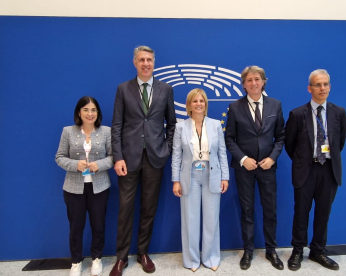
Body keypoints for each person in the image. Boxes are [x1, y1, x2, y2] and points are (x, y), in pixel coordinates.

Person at [110, 45, 176, 276]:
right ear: (134, 63)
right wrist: (118, 157)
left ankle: (143, 253)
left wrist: (166, 149)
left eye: (149, 59)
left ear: (154, 63)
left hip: (155, 159)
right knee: (125, 209)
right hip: (128, 160)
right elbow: (116, 126)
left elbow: (172, 124)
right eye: (141, 60)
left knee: (149, 208)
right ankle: (121, 258)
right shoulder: (123, 89)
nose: (146, 63)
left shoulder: (165, 89)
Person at [285, 69, 346, 271]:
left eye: (326, 84)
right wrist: (304, 161)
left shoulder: (339, 112)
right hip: (306, 170)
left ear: (329, 86)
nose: (322, 88)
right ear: (309, 88)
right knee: (301, 212)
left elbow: (340, 142)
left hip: (329, 170)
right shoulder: (297, 114)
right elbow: (290, 144)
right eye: (318, 85)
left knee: (323, 213)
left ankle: (318, 250)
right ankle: (297, 251)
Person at [225, 66, 285, 270]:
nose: (253, 83)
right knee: (247, 211)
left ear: (263, 82)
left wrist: (272, 158)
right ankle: (248, 251)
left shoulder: (275, 105)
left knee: (270, 210)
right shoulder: (234, 107)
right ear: (243, 84)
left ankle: (271, 250)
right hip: (244, 169)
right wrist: (243, 159)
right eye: (249, 80)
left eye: (257, 79)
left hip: (268, 167)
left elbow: (281, 137)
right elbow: (229, 139)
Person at [171, 88, 229, 272]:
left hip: (212, 174)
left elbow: (222, 153)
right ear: (189, 105)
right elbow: (176, 156)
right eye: (194, 101)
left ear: (206, 104)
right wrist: (176, 180)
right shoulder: (181, 127)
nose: (198, 104)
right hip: (190, 176)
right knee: (190, 219)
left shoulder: (215, 125)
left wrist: (225, 177)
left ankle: (211, 257)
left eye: (201, 101)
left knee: (211, 220)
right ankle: (192, 260)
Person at [55, 96, 113, 276]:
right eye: (86, 110)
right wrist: (75, 165)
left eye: (93, 110)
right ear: (79, 112)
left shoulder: (106, 132)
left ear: (98, 113)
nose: (90, 113)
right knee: (76, 227)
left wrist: (99, 165)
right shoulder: (68, 132)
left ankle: (97, 259)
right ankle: (76, 261)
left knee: (98, 225)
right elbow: (59, 157)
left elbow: (113, 157)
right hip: (73, 188)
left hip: (99, 187)